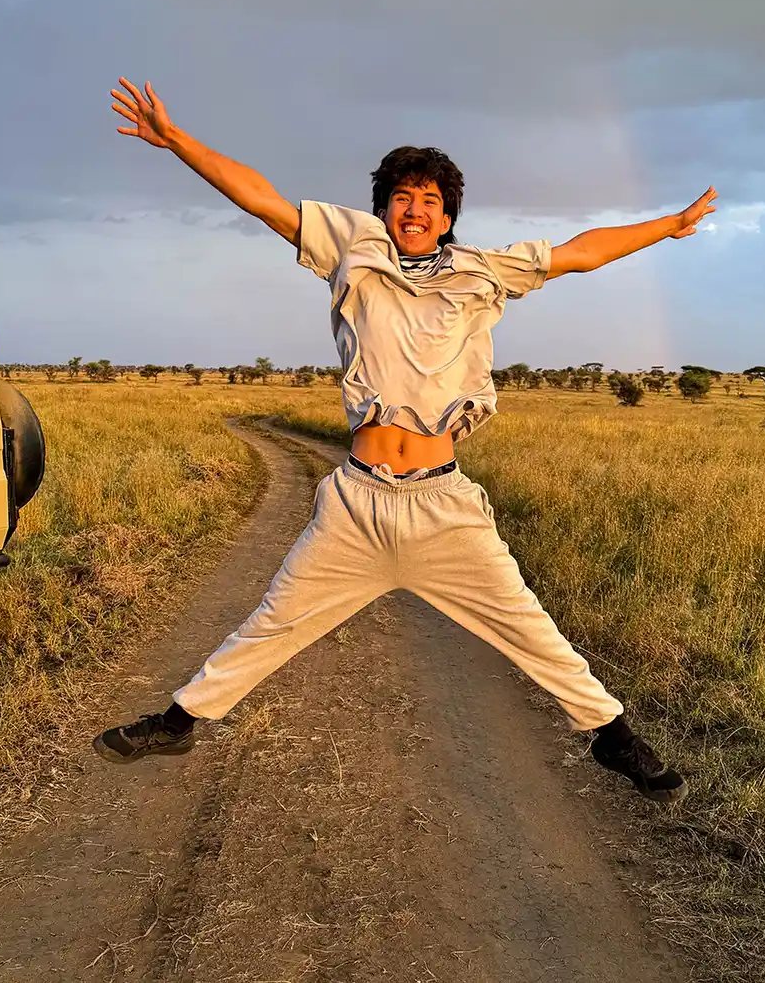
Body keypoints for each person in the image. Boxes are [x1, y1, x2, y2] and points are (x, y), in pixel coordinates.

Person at [94, 78, 717, 804]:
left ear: (448, 214)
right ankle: (181, 719)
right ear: (383, 208)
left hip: (441, 507)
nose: (414, 209)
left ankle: (610, 736)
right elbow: (262, 198)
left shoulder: (484, 270)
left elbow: (580, 252)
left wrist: (667, 225)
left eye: (429, 199)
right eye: (401, 197)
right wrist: (177, 143)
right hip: (356, 505)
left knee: (529, 628)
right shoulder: (349, 249)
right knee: (274, 621)